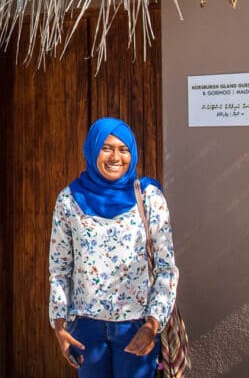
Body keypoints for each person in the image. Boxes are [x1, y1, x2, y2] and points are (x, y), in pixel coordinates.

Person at [49, 117, 178, 378]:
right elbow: (60, 268)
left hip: (136, 329)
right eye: (106, 148)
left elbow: (166, 268)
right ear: (92, 149)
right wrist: (59, 326)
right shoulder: (69, 200)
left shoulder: (149, 197)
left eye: (124, 149)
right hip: (86, 329)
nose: (115, 157)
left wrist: (153, 323)